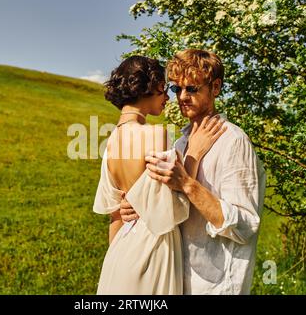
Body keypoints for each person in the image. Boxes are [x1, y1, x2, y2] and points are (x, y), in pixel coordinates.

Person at [120, 49, 266, 294]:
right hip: (177, 279)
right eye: (177, 89)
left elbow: (245, 226)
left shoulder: (233, 141)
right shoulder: (179, 144)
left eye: (192, 89)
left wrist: (188, 184)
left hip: (216, 285)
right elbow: (171, 210)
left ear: (216, 87)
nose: (182, 97)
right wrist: (138, 207)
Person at [93, 55, 226, 294]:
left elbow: (115, 218)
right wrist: (194, 153)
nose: (167, 98)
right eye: (164, 89)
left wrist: (118, 259)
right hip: (153, 250)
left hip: (119, 254)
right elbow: (170, 210)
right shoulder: (156, 134)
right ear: (148, 87)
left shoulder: (110, 144)